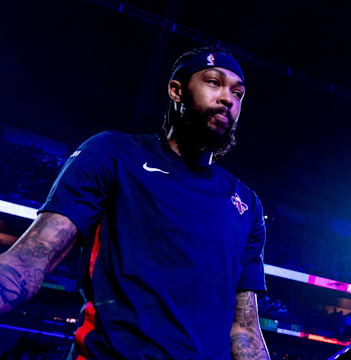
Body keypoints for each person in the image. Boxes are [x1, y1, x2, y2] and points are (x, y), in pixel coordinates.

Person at [0, 47, 270, 359]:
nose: (228, 99)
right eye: (214, 82)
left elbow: (245, 329)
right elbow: (32, 256)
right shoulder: (113, 153)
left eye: (238, 93)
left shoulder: (246, 204)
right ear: (176, 91)